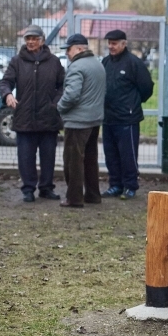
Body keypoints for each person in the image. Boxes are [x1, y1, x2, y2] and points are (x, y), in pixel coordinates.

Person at [0, 24, 65, 203]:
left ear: (42, 41)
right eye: (28, 38)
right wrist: (8, 94)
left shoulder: (54, 62)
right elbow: (5, 82)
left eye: (34, 38)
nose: (31, 41)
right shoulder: (16, 61)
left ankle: (46, 188)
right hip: (25, 117)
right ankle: (28, 189)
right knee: (25, 157)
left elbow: (62, 85)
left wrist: (55, 103)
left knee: (48, 157)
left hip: (48, 117)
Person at [101, 29, 154, 200]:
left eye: (114, 43)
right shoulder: (105, 63)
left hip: (127, 119)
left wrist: (133, 103)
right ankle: (115, 185)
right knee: (111, 155)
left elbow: (147, 87)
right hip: (108, 117)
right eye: (109, 43)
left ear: (124, 44)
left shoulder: (134, 63)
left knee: (128, 155)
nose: (111, 46)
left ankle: (130, 186)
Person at [57, 34, 107, 208]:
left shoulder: (77, 67)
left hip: (77, 122)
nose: (67, 54)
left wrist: (59, 107)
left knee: (73, 161)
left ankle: (74, 198)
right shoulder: (97, 64)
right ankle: (93, 195)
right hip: (94, 120)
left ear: (78, 49)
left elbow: (71, 94)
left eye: (68, 50)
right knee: (90, 159)